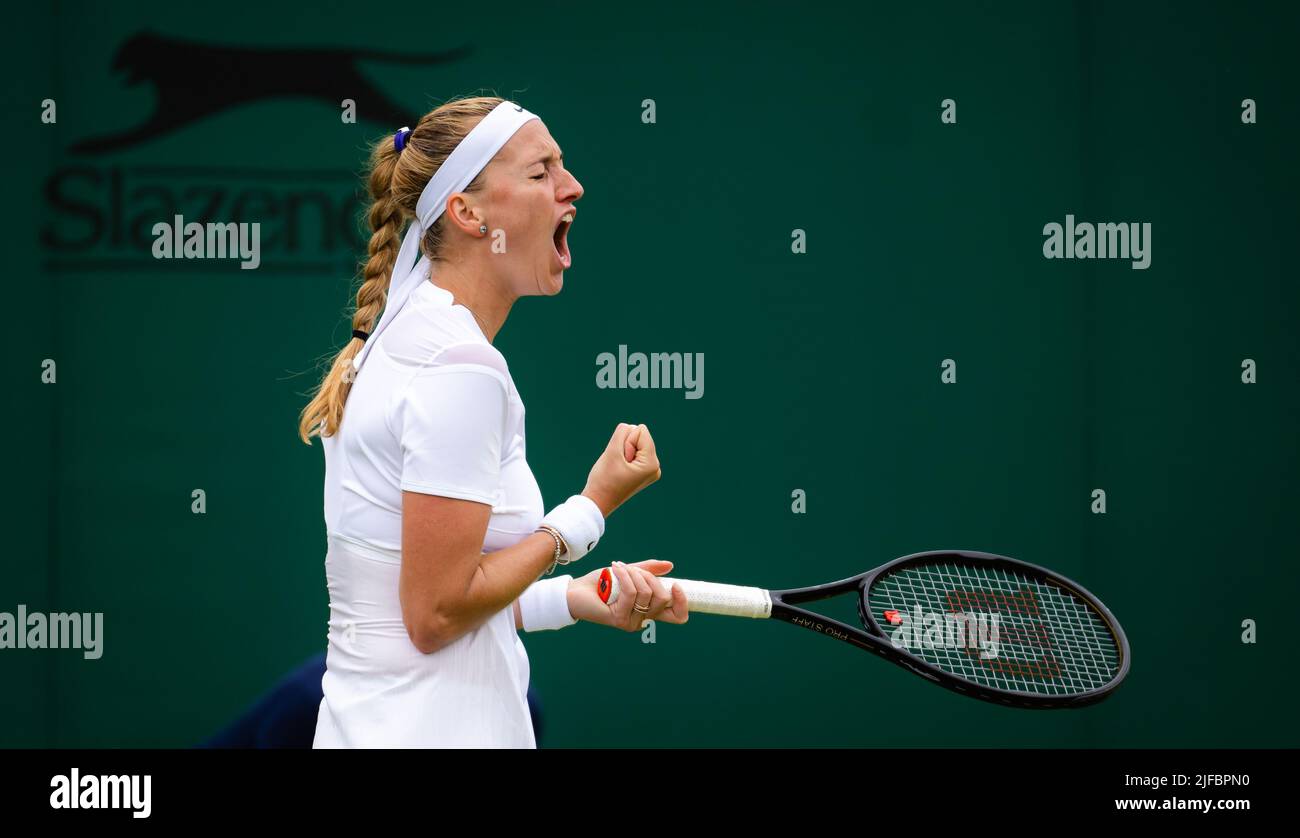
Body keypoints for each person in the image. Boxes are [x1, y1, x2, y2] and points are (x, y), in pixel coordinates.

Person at [297, 96, 688, 748]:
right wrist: (589, 511)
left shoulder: (400, 343)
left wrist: (567, 599)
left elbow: (407, 613)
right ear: (467, 212)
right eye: (541, 172)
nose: (573, 186)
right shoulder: (458, 365)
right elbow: (436, 615)